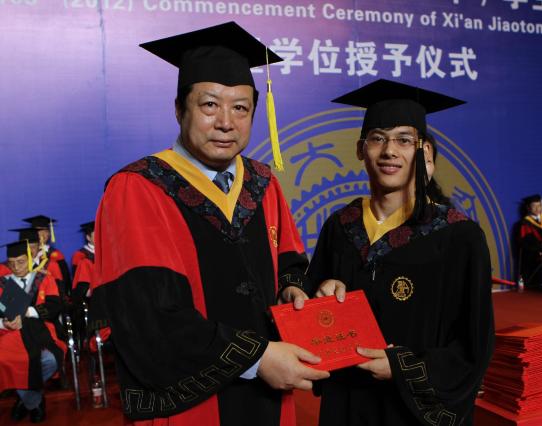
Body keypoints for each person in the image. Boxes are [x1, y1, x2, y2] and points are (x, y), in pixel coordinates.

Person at [89, 22, 328, 425]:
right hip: (192, 405)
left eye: (241, 108)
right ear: (179, 109)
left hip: (271, 398)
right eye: (210, 105)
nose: (226, 122)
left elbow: (289, 263)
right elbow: (147, 319)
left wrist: (293, 290)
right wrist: (256, 359)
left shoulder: (263, 183)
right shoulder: (140, 187)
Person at [301, 79, 495, 426]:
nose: (390, 151)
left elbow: (473, 347)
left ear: (423, 151)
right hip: (346, 405)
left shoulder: (458, 236)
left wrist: (404, 367)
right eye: (378, 138)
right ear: (361, 149)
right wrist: (321, 295)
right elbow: (312, 322)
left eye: (404, 140)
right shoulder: (340, 227)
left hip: (412, 414)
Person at [0, 240, 65, 423]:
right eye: (11, 263)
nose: (16, 267)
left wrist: (29, 311)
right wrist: (4, 323)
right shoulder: (2, 284)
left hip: (40, 333)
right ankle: (34, 401)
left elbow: (54, 306)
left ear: (30, 259)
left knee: (51, 359)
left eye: (20, 262)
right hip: (10, 336)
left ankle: (24, 399)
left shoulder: (43, 279)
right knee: (3, 359)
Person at [22, 215, 71, 295]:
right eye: (38, 231)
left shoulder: (56, 254)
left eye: (45, 231)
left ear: (49, 233)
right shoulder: (22, 255)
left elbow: (65, 280)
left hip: (50, 293)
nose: (42, 234)